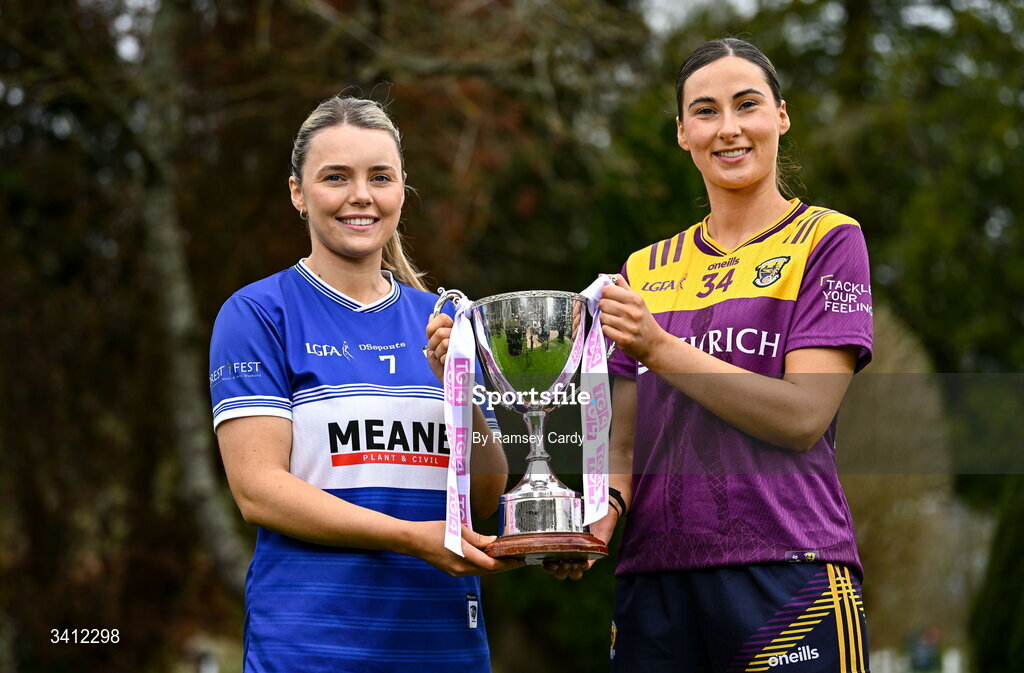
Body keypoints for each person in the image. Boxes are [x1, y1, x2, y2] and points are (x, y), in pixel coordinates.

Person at [551, 38, 873, 672]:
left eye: (747, 105)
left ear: (781, 116)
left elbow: (803, 417)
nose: (728, 128)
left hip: (788, 571)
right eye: (705, 111)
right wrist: (596, 519)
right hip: (655, 581)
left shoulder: (829, 240)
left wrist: (661, 348)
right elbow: (622, 446)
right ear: (682, 132)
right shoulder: (644, 269)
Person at [209, 95, 519, 673]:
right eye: (336, 177)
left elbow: (483, 499)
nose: (361, 195)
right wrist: (409, 536)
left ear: (402, 190)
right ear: (298, 193)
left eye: (380, 177)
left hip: (445, 647)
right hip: (311, 650)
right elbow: (257, 490)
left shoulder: (447, 319)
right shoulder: (259, 313)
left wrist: (461, 395)